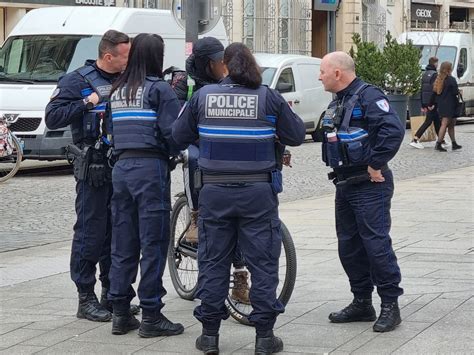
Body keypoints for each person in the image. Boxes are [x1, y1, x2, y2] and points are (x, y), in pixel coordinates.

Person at [172, 42, 305, 355]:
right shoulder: (269, 98)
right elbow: (297, 135)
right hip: (257, 193)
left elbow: (177, 135)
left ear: (226, 67)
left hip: (215, 193)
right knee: (263, 262)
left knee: (213, 261)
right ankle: (264, 338)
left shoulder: (203, 97)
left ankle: (209, 337)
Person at [45, 30, 138, 322]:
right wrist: (87, 103)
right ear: (108, 55)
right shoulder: (77, 80)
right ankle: (85, 298)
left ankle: (113, 294)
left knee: (117, 232)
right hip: (93, 168)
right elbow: (53, 117)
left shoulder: (127, 78)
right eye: (125, 55)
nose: (129, 60)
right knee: (91, 232)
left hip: (120, 167)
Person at [319, 51, 404, 333]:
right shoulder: (339, 100)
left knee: (376, 246)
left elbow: (392, 130)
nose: (319, 76)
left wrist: (375, 163)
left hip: (370, 185)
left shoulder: (369, 96)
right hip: (344, 183)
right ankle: (362, 302)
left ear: (338, 73)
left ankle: (390, 305)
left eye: (322, 71)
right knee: (349, 246)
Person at [107, 33, 184, 338]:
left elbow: (110, 131)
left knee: (123, 242)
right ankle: (151, 314)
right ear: (157, 56)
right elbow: (173, 133)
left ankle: (121, 312)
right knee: (153, 243)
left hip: (121, 169)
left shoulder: (118, 89)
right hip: (149, 169)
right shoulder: (159, 89)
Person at [170, 37, 251, 305]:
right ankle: (195, 215)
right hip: (197, 144)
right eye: (219, 62)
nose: (224, 67)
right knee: (193, 159)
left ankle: (240, 279)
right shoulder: (188, 85)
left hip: (223, 149)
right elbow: (177, 124)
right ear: (208, 64)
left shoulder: (230, 84)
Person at [430, 61, 463, 152]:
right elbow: (455, 92)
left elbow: (434, 93)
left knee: (448, 124)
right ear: (449, 69)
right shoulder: (451, 79)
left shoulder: (439, 79)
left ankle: (453, 143)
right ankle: (439, 143)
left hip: (442, 104)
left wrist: (430, 104)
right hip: (451, 104)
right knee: (447, 125)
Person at [410, 56, 442, 149]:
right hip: (432, 102)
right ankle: (416, 139)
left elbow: (423, 90)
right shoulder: (435, 74)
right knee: (428, 121)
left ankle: (441, 139)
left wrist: (423, 103)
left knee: (436, 121)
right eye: (437, 63)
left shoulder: (425, 74)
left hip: (426, 101)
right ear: (435, 63)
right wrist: (432, 103)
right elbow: (434, 90)